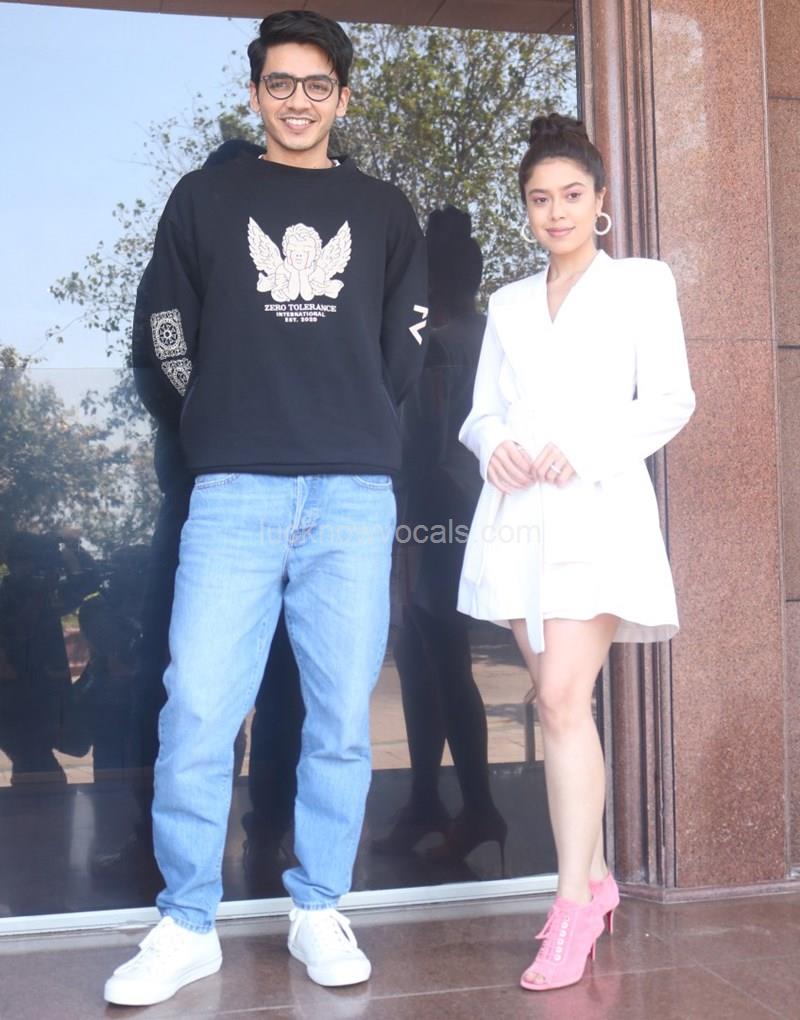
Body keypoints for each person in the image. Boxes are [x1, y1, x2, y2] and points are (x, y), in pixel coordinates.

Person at [104, 10, 427, 1007]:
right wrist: (212, 414)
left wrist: (353, 416)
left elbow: (404, 346)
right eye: (279, 82)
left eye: (316, 84)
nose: (297, 100)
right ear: (255, 92)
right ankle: (185, 922)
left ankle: (319, 905)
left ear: (342, 97)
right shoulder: (206, 198)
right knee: (200, 710)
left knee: (339, 720)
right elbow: (162, 329)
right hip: (234, 490)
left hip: (351, 495)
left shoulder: (384, 210)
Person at [457, 112, 695, 991]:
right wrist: (494, 446)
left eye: (570, 195)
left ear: (601, 201)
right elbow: (481, 411)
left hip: (596, 513)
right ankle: (594, 880)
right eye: (539, 199)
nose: (555, 212)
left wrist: (583, 448)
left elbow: (670, 400)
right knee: (562, 707)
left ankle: (571, 909)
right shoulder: (510, 303)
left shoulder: (641, 283)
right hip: (519, 518)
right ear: (525, 209)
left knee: (559, 697)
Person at [375, 207, 506, 870]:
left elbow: (422, 450)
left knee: (439, 661)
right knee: (426, 660)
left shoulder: (441, 347)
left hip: (438, 517)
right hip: (468, 513)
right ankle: (429, 798)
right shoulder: (488, 339)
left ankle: (475, 805)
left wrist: (407, 532)